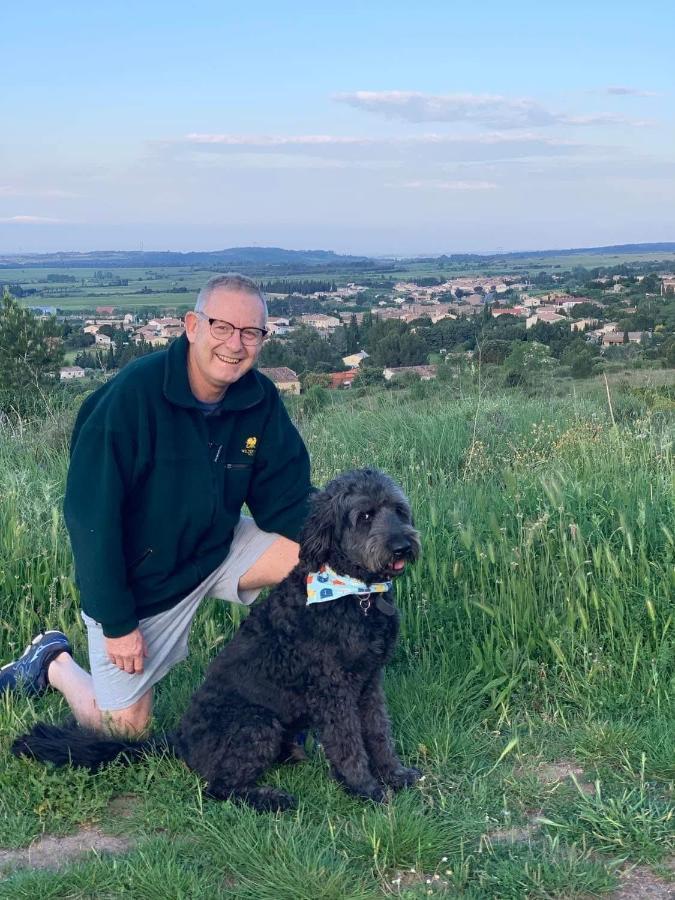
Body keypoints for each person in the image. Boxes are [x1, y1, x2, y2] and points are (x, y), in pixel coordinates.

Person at [0, 274, 313, 737]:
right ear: (192, 326)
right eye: (222, 327)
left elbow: (286, 499)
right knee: (123, 729)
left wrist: (364, 537)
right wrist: (118, 622)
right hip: (144, 582)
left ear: (263, 339)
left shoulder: (259, 400)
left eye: (251, 332)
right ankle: (52, 661)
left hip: (217, 548)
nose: (236, 344)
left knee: (332, 563)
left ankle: (298, 690)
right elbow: (91, 521)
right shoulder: (131, 400)